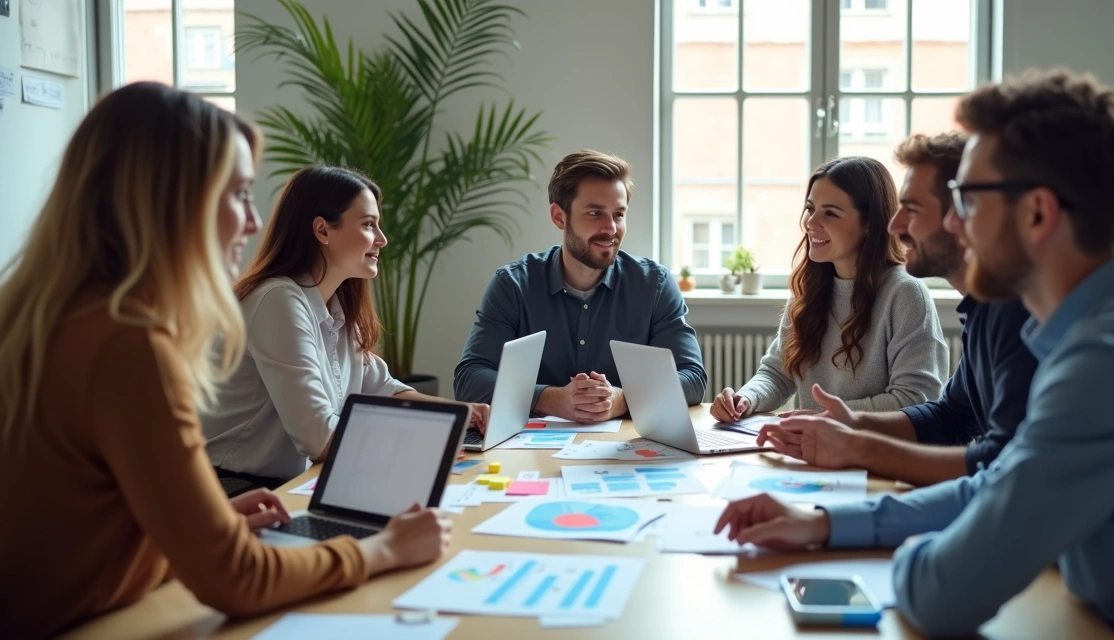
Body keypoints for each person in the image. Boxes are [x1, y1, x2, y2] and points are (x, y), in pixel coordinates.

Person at [714, 70, 1114, 639]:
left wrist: (893, 550)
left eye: (967, 200)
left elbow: (940, 596)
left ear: (1037, 213)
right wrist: (824, 523)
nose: (952, 222)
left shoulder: (1112, 364)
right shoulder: (1104, 327)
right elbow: (997, 484)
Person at [0, 83, 451, 639]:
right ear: (172, 200)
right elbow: (235, 579)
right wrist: (382, 550)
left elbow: (74, 527)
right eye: (238, 194)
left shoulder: (57, 319)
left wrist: (186, 530)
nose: (255, 222)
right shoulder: (129, 345)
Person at [755, 133, 1038, 487]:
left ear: (965, 216)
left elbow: (1002, 470)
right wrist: (849, 425)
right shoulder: (985, 311)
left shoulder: (1020, 318)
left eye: (913, 209)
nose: (894, 224)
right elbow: (952, 418)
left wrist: (855, 447)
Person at [201, 166, 489, 489]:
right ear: (322, 231)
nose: (382, 239)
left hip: (291, 484)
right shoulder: (277, 301)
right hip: (236, 490)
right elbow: (320, 439)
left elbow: (383, 388)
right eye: (369, 225)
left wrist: (460, 413)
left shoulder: (335, 306)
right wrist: (425, 442)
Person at [454, 149, 707, 422]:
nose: (611, 228)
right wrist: (549, 399)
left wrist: (623, 399)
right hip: (530, 453)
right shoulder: (512, 286)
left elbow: (692, 378)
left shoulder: (654, 285)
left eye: (619, 215)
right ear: (559, 217)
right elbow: (470, 378)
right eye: (595, 213)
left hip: (622, 452)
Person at [709, 157, 949, 424]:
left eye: (830, 213)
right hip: (820, 450)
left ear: (870, 224)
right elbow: (778, 374)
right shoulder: (808, 289)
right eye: (810, 209)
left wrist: (822, 418)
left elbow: (916, 399)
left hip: (881, 456)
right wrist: (746, 399)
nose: (811, 222)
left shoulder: (905, 293)